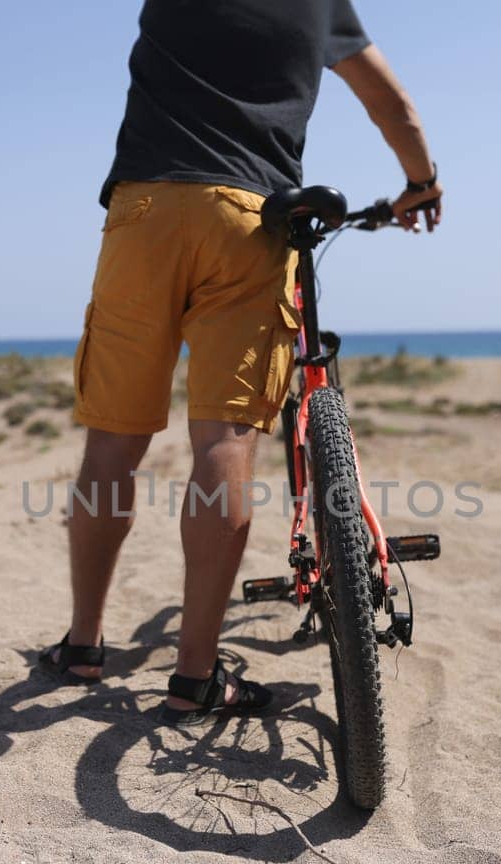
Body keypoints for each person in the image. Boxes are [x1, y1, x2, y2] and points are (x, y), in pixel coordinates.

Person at [40, 0, 442, 726]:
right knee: (224, 442)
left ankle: (83, 645)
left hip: (147, 210)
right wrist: (422, 182)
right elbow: (393, 105)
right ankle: (195, 676)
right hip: (252, 218)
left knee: (112, 446)